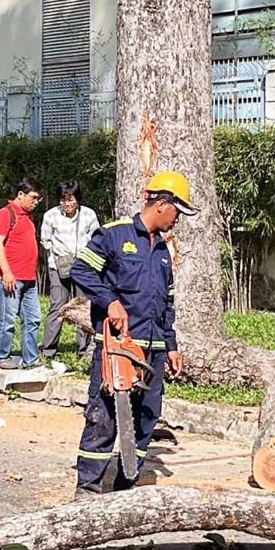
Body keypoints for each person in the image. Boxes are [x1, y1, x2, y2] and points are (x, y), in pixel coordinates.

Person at [70, 171, 196, 497]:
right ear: (162, 204)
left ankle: (127, 486)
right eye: (177, 211)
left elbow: (167, 304)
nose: (178, 219)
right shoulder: (114, 236)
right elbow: (81, 269)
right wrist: (109, 300)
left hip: (153, 350)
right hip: (119, 349)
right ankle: (88, 488)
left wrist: (171, 346)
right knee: (104, 418)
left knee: (147, 417)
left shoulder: (164, 252)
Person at [40, 180, 100, 360]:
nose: (67, 204)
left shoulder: (89, 215)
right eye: (63, 199)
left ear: (77, 199)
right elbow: (45, 240)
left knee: (83, 306)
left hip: (84, 266)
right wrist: (60, 254)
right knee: (57, 306)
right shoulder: (50, 216)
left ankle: (84, 350)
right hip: (57, 266)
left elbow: (96, 238)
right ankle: (48, 350)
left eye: (70, 199)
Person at [0, 179, 44, 370]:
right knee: (8, 318)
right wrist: (6, 272)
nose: (36, 201)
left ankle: (31, 358)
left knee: (33, 318)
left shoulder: (27, 216)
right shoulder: (6, 214)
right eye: (33, 197)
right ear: (21, 194)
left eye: (38, 198)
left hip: (29, 278)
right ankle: (2, 356)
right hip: (10, 277)